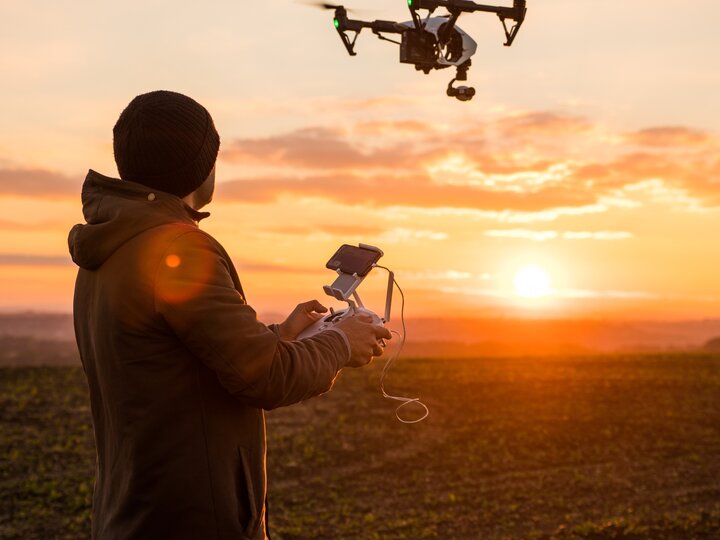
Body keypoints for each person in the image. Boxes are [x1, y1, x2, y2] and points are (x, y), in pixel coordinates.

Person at [68, 90, 391, 540]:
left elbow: (180, 359)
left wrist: (282, 334)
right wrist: (340, 342)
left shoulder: (109, 247)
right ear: (201, 168)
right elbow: (266, 378)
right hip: (194, 518)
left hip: (132, 510)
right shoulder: (177, 248)